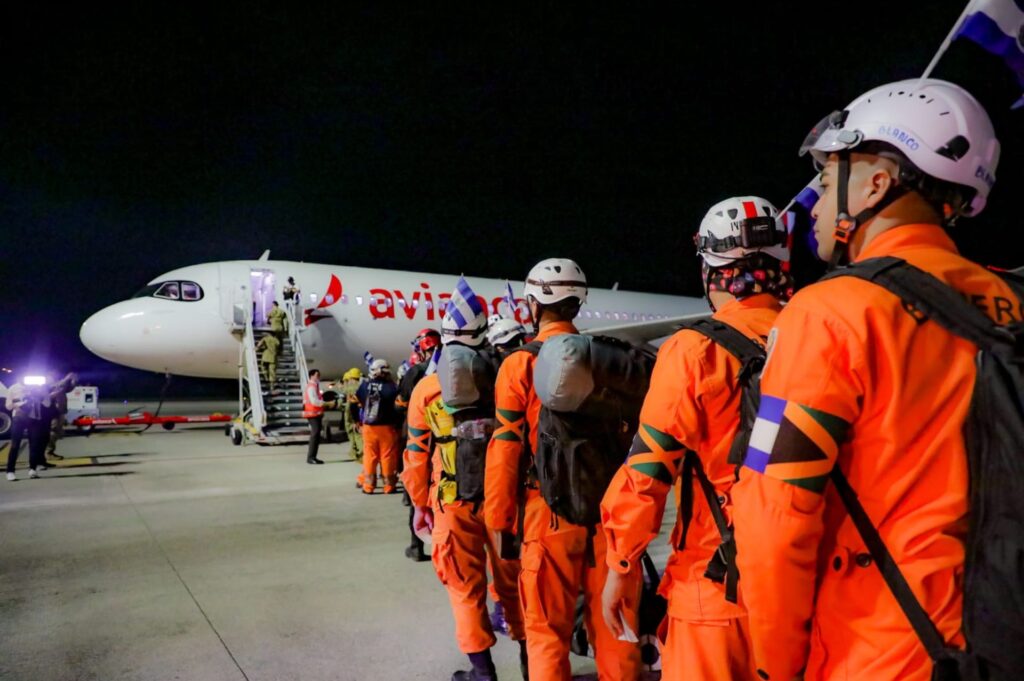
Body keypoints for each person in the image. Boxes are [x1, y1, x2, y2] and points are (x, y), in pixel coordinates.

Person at [731, 79, 1018, 681]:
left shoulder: (831, 312)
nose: (819, 198)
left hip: (880, 650)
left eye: (830, 175)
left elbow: (774, 520)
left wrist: (773, 665)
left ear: (877, 183)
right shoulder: (1010, 303)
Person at [600, 196, 791, 680]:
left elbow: (648, 471)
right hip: (808, 585)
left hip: (718, 584)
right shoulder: (819, 333)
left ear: (711, 270)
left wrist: (622, 567)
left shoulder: (694, 349)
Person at [484, 258, 641, 680]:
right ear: (578, 302)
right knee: (618, 628)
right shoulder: (605, 359)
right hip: (608, 514)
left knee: (546, 631)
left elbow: (505, 446)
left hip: (547, 514)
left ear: (533, 304)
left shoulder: (519, 364)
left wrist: (498, 519)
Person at [403, 308, 528, 681]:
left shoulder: (427, 389)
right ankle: (532, 664)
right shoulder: (504, 376)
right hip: (503, 498)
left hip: (452, 502)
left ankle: (482, 672)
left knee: (463, 586)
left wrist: (419, 505)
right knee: (515, 583)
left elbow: (415, 456)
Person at [396, 328, 442, 559]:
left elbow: (400, 402)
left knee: (418, 492)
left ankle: (417, 545)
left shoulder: (416, 372)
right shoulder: (453, 368)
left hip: (419, 439)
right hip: (446, 442)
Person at [356, 359, 401, 493]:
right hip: (386, 426)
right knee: (387, 456)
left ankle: (368, 486)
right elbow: (397, 407)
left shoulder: (364, 386)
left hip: (368, 426)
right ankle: (389, 486)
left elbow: (357, 402)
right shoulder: (391, 387)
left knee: (370, 456)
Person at [5, 380, 50, 480]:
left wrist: (40, 393)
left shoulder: (39, 387)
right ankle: (10, 471)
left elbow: (47, 403)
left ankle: (32, 469)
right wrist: (17, 404)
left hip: (34, 418)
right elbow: (8, 406)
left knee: (34, 444)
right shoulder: (13, 388)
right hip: (19, 417)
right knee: (15, 445)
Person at [303, 369, 336, 465]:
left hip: (315, 414)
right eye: (317, 375)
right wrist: (327, 404)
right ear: (311, 376)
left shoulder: (315, 386)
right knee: (315, 434)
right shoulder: (311, 387)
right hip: (312, 414)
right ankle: (311, 457)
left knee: (316, 435)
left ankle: (313, 457)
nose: (318, 377)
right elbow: (314, 401)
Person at [45, 372, 78, 462]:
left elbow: (68, 389)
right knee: (52, 431)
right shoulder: (48, 385)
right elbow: (56, 386)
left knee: (57, 432)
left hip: (60, 411)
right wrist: (67, 378)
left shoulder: (59, 384)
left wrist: (73, 381)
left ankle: (50, 451)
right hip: (52, 412)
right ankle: (48, 452)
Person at [340, 368, 365, 462]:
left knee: (355, 433)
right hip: (357, 411)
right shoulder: (360, 386)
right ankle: (357, 452)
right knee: (356, 433)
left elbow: (347, 398)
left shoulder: (350, 387)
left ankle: (360, 453)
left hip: (352, 410)